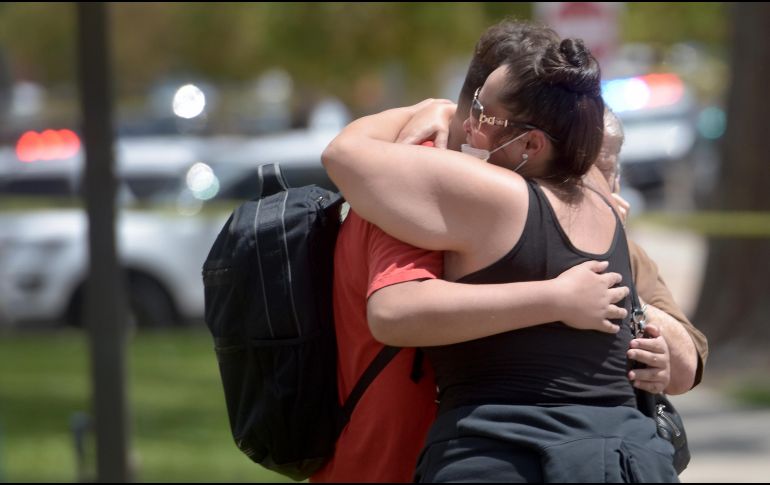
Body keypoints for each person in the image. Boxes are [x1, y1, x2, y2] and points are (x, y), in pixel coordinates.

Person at [322, 30, 683, 482]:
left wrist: (423, 109)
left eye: (480, 113)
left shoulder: (495, 194)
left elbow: (343, 154)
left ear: (531, 146)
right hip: (621, 459)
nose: (467, 123)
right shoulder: (601, 198)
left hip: (505, 454)